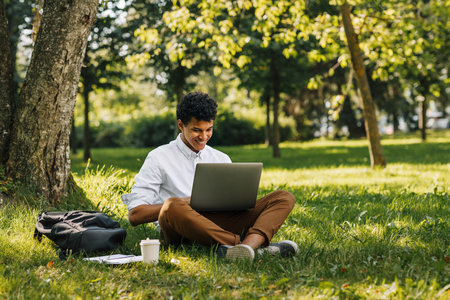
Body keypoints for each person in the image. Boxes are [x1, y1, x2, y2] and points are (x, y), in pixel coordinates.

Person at [122, 91, 297, 261]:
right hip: (181, 227)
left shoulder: (221, 158)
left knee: (283, 197)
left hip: (219, 223)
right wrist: (187, 202)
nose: (204, 137)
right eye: (197, 130)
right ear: (181, 125)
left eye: (209, 130)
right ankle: (248, 246)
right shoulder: (158, 157)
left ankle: (247, 249)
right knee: (172, 205)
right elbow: (135, 215)